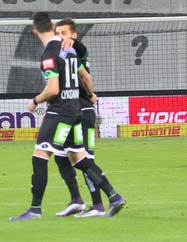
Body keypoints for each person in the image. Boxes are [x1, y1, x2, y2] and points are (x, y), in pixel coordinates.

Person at [11, 12, 126, 221]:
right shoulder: (69, 49)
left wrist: (35, 102)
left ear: (34, 31)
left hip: (60, 111)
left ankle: (35, 209)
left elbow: (53, 89)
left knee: (40, 156)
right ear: (53, 26)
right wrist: (90, 96)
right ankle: (113, 195)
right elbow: (86, 77)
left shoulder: (49, 53)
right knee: (77, 157)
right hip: (76, 111)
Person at [53, 18, 107, 218]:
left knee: (85, 159)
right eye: (58, 34)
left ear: (74, 35)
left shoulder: (78, 51)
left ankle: (99, 205)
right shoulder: (59, 55)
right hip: (65, 113)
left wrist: (73, 43)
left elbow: (82, 52)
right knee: (59, 155)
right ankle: (76, 200)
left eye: (65, 33)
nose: (61, 37)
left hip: (82, 111)